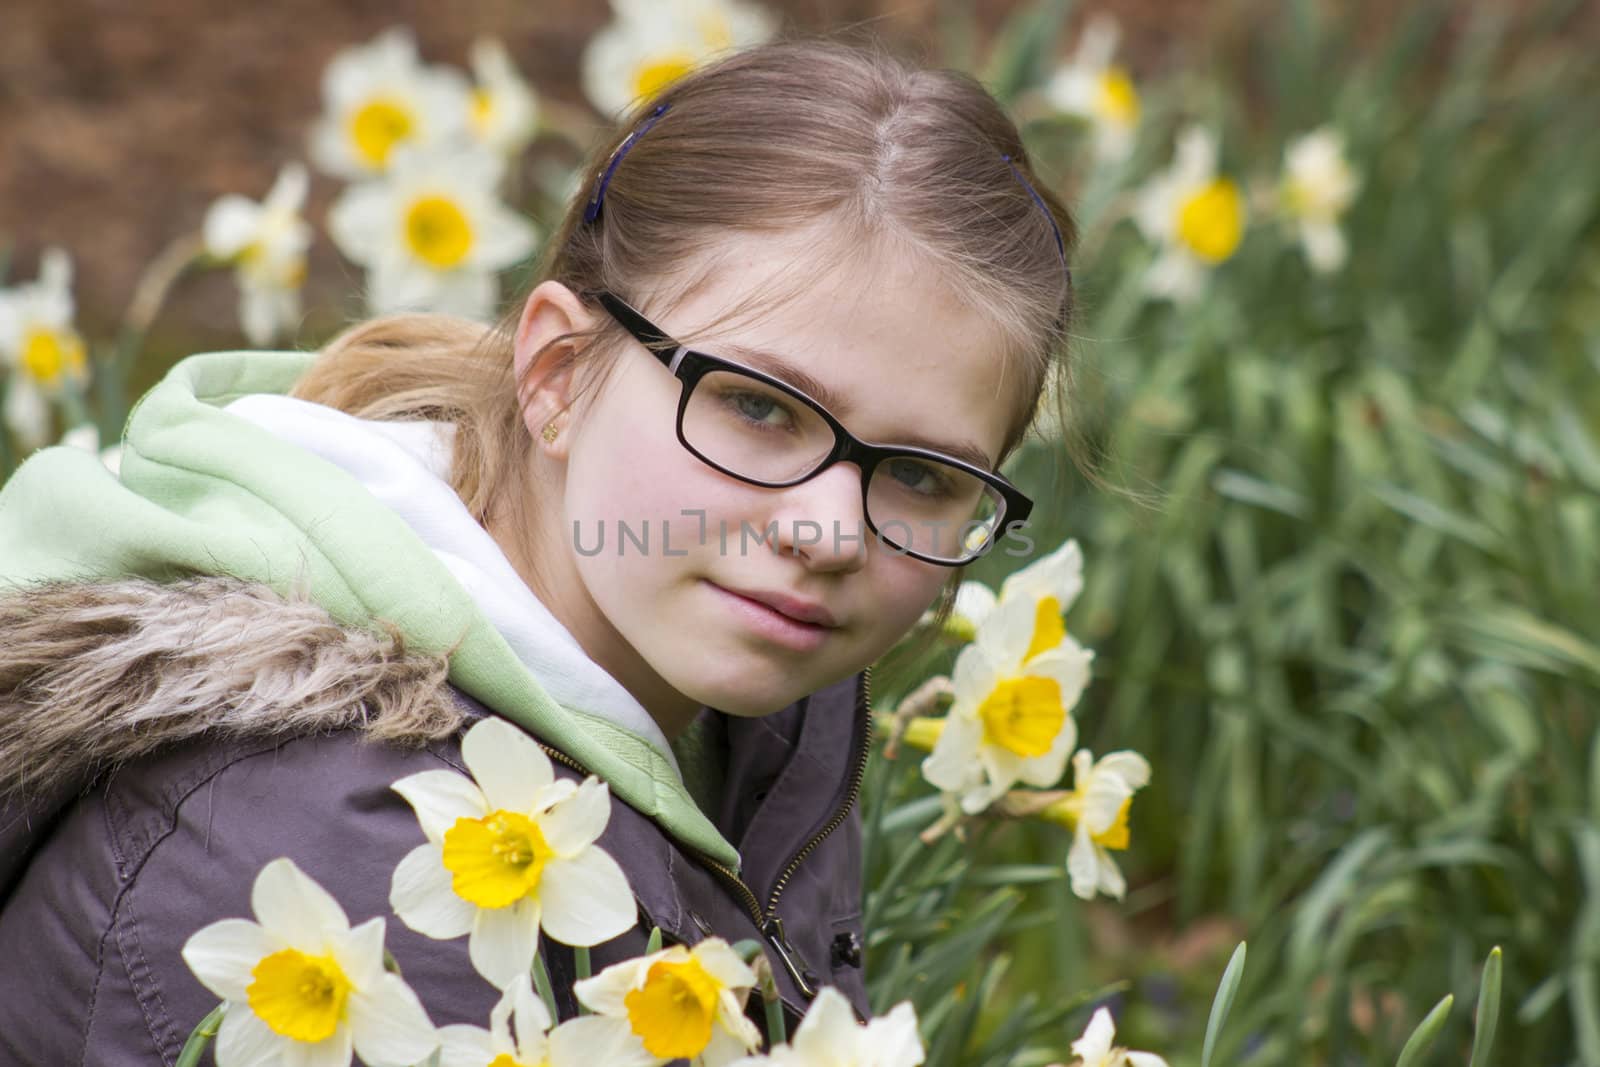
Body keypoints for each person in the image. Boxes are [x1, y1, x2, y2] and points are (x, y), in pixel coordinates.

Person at [0, 35, 1075, 1064]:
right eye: (757, 408)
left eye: (924, 475)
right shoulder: (332, 840)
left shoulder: (732, 664)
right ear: (558, 373)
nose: (831, 532)